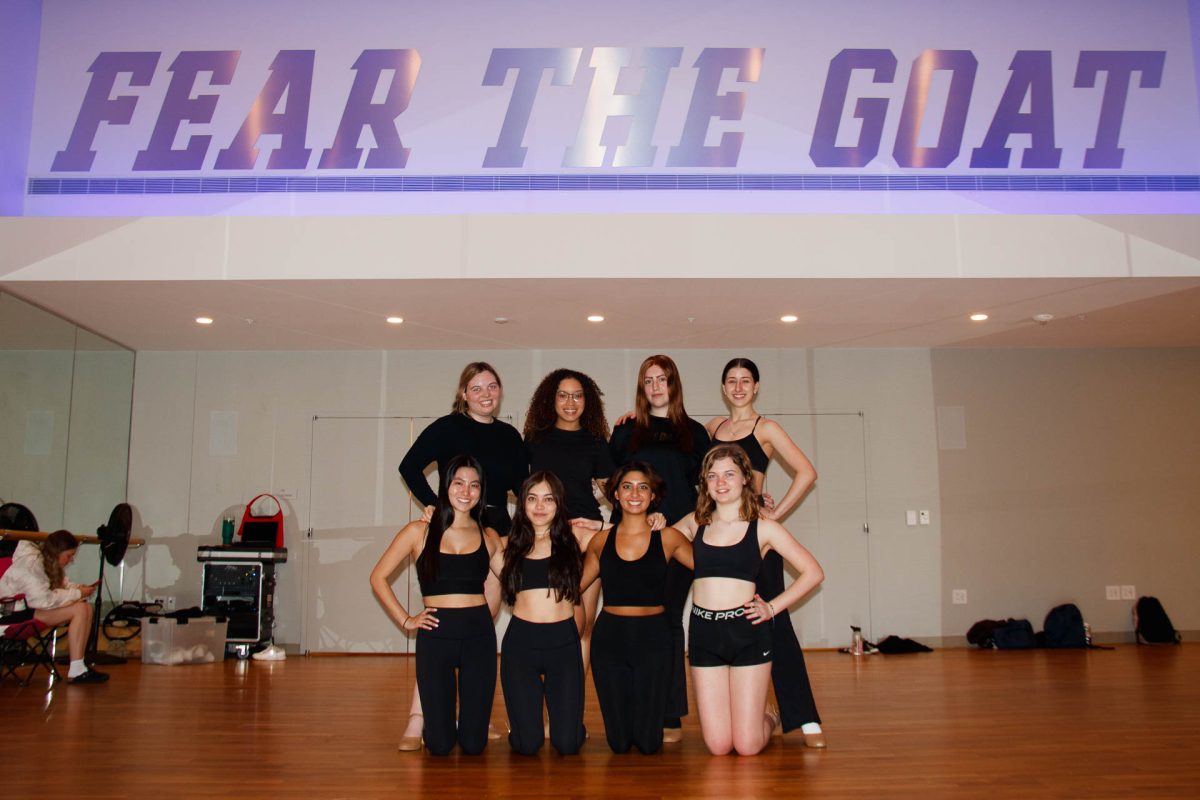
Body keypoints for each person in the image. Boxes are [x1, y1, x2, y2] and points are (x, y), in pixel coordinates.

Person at [396, 362, 528, 744]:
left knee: (479, 625)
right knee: (438, 627)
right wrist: (432, 505)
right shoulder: (447, 427)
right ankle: (417, 718)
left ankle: (476, 714)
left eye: (492, 386)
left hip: (494, 537)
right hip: (449, 533)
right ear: (464, 394)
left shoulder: (509, 436)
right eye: (476, 388)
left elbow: (521, 491)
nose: (486, 394)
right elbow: (409, 467)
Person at [705, 357, 826, 746]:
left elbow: (806, 472)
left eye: (745, 381)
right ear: (723, 388)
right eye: (731, 381)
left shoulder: (766, 428)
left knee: (776, 622)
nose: (738, 387)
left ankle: (804, 718)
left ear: (756, 387)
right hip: (719, 535)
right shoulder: (712, 428)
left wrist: (774, 514)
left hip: (756, 537)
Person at [675, 443, 824, 756]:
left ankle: (770, 715)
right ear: (704, 482)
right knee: (718, 746)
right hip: (704, 634)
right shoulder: (694, 522)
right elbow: (651, 544)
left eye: (729, 474)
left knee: (747, 746)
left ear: (745, 478)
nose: (721, 482)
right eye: (712, 476)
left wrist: (771, 608)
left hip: (748, 634)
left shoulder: (764, 526)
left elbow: (813, 573)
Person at [369, 455, 503, 755]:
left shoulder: (489, 536)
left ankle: (468, 726)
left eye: (474, 485)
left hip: (478, 634)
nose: (466, 492)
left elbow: (518, 580)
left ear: (481, 492)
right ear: (445, 486)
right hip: (435, 634)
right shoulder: (419, 532)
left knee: (473, 745)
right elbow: (378, 577)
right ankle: (436, 725)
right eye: (458, 483)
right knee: (440, 747)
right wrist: (406, 620)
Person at [609, 354, 710, 741]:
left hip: (677, 539)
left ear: (673, 384)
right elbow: (609, 482)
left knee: (667, 621)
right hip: (632, 541)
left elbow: (709, 490)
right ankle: (634, 707)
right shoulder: (626, 431)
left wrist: (685, 525)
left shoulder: (694, 433)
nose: (655, 387)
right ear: (641, 386)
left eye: (662, 379)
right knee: (629, 621)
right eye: (648, 380)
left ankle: (668, 713)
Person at [580, 462, 693, 754]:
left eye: (643, 487)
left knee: (648, 743)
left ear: (653, 495)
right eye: (627, 486)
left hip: (654, 640)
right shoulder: (600, 541)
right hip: (610, 640)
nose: (634, 493)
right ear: (615, 495)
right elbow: (574, 587)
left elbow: (712, 566)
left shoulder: (668, 538)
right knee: (618, 744)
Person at [523, 368, 614, 671]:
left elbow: (614, 492)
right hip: (549, 538)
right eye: (563, 395)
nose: (571, 402)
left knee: (584, 626)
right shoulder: (535, 439)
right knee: (563, 627)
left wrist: (605, 526)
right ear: (552, 399)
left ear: (587, 401)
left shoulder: (596, 441)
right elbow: (520, 487)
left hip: (588, 536)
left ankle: (571, 715)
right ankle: (551, 713)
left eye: (577, 395)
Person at [497, 472, 586, 756]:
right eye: (532, 498)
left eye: (549, 499)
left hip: (563, 644)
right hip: (521, 645)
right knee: (527, 745)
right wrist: (434, 517)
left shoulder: (576, 539)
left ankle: (573, 727)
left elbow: (623, 531)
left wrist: (651, 519)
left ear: (559, 504)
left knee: (567, 745)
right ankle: (523, 726)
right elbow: (461, 533)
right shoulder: (505, 545)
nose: (540, 506)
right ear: (521, 503)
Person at [0, 530, 107, 684]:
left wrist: (79, 589)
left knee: (85, 608)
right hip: (9, 615)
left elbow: (60, 584)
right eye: (69, 556)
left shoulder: (45, 561)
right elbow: (42, 600)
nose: (71, 561)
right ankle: (77, 668)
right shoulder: (31, 564)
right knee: (81, 609)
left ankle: (79, 666)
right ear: (57, 552)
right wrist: (77, 593)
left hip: (25, 610)